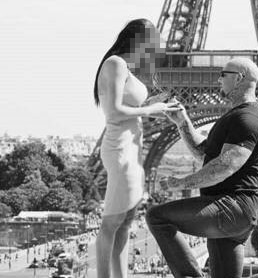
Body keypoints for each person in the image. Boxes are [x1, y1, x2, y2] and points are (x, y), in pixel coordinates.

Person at [146, 57, 258, 278]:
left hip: (232, 206)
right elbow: (203, 153)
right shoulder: (237, 117)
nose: (218, 79)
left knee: (157, 217)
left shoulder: (248, 118)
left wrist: (182, 183)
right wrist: (183, 122)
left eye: (223, 74)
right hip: (234, 211)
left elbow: (226, 165)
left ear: (239, 78)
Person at [93, 18, 182, 278]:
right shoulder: (115, 64)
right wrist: (152, 108)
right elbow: (114, 112)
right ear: (140, 38)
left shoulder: (128, 69)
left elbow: (133, 111)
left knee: (125, 223)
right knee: (111, 223)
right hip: (120, 148)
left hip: (132, 150)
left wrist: (160, 106)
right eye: (154, 40)